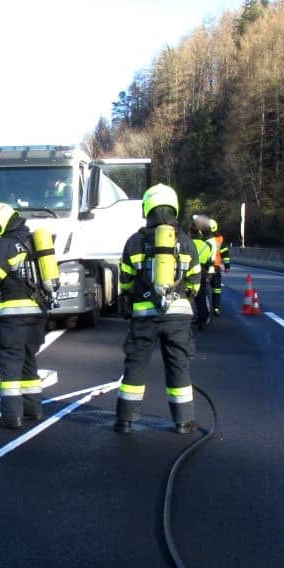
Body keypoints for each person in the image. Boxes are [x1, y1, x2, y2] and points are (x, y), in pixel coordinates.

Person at [115, 183, 202, 435]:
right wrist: (183, 296)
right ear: (174, 207)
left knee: (136, 364)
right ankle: (184, 422)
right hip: (178, 315)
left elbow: (126, 281)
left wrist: (135, 296)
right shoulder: (186, 241)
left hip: (145, 315)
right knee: (178, 365)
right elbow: (195, 282)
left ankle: (125, 420)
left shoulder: (135, 242)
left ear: (147, 208)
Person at [0, 202, 47, 430]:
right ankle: (33, 410)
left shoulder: (7, 244)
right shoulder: (32, 241)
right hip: (37, 316)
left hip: (13, 319)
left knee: (10, 366)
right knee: (28, 363)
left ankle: (12, 418)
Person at [189, 214, 215, 327]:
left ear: (190, 233)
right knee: (201, 296)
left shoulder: (188, 244)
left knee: (189, 296)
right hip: (203, 272)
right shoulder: (206, 246)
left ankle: (192, 316)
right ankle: (202, 318)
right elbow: (210, 260)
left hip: (190, 272)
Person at [208, 218, 230, 316]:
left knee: (201, 288)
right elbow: (225, 253)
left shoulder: (202, 238)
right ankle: (216, 308)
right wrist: (227, 266)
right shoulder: (220, 239)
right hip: (216, 267)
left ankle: (201, 308)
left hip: (205, 267)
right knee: (217, 289)